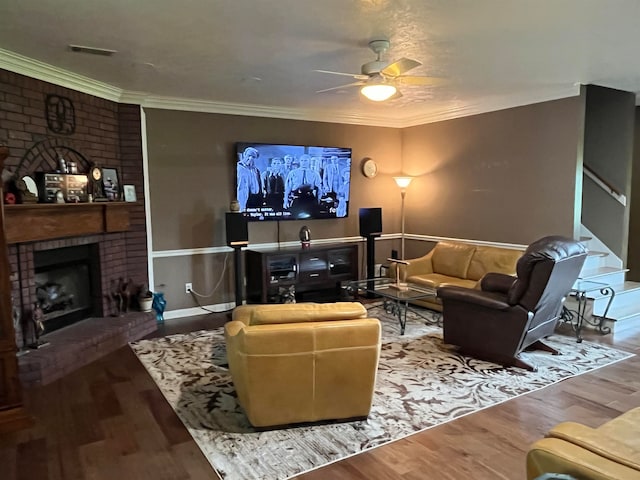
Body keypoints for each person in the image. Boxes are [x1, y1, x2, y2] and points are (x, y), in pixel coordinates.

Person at [236, 146, 263, 211]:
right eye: (249, 155)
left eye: (253, 157)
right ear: (244, 155)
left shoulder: (256, 170)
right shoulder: (238, 167)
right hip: (241, 200)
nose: (250, 158)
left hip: (254, 200)